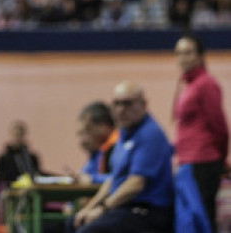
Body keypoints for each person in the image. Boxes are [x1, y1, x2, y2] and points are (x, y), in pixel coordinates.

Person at [68, 81, 173, 233]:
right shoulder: (123, 134)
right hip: (124, 209)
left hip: (147, 213)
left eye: (127, 104)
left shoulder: (150, 134)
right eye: (116, 104)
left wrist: (103, 209)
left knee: (90, 231)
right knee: (74, 223)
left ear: (143, 104)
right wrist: (90, 208)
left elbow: (136, 183)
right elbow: (113, 179)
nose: (121, 110)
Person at [173, 34, 229, 232]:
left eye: (188, 52)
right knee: (193, 217)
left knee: (202, 217)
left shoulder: (206, 84)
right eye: (179, 53)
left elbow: (220, 126)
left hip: (203, 161)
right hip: (189, 161)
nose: (182, 58)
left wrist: (220, 157)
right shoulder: (189, 85)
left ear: (200, 55)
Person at [0, 120, 41, 203]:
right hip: (12, 195)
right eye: (16, 135)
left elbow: (37, 175)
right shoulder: (4, 158)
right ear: (11, 135)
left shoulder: (31, 158)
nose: (18, 137)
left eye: (20, 134)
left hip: (29, 195)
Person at [75, 101, 118, 185]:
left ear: (103, 126)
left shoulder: (119, 145)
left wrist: (92, 179)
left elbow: (122, 178)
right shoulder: (98, 152)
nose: (83, 140)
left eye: (87, 130)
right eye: (80, 133)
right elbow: (86, 173)